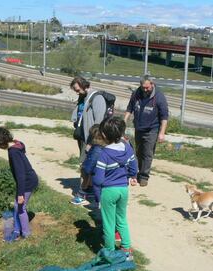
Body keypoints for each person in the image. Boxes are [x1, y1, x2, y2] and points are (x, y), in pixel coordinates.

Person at [93, 117, 138, 260]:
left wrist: (97, 196)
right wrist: (132, 175)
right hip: (123, 189)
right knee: (122, 219)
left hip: (108, 191)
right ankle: (126, 249)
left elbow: (98, 179)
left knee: (108, 223)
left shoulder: (104, 154)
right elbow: (133, 164)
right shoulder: (127, 146)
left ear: (104, 135)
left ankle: (109, 252)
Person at [0, 127, 38, 242]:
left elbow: (20, 175)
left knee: (20, 207)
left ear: (1, 143)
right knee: (17, 205)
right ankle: (17, 228)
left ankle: (26, 234)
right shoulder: (17, 144)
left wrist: (20, 194)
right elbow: (23, 146)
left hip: (27, 181)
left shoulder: (13, 152)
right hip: (30, 178)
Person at [124, 75, 168, 187]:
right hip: (139, 128)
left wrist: (162, 133)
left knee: (147, 153)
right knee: (138, 152)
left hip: (152, 129)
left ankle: (144, 176)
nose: (145, 89)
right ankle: (137, 172)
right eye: (143, 87)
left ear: (152, 84)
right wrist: (124, 121)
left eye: (147, 87)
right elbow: (130, 108)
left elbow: (164, 116)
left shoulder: (159, 96)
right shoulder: (136, 93)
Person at [70, 76, 107, 204]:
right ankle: (90, 190)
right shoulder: (84, 97)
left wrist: (91, 142)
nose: (77, 92)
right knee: (88, 166)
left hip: (92, 139)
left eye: (78, 90)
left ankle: (83, 193)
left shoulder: (97, 99)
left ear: (84, 85)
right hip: (84, 136)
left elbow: (99, 122)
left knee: (85, 166)